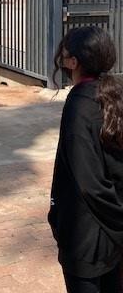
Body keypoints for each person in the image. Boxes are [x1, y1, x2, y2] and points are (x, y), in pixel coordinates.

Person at [49, 26, 123, 293]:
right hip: (111, 237)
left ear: (73, 61)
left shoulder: (80, 105)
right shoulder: (114, 94)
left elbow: (89, 182)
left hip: (88, 239)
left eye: (65, 53)